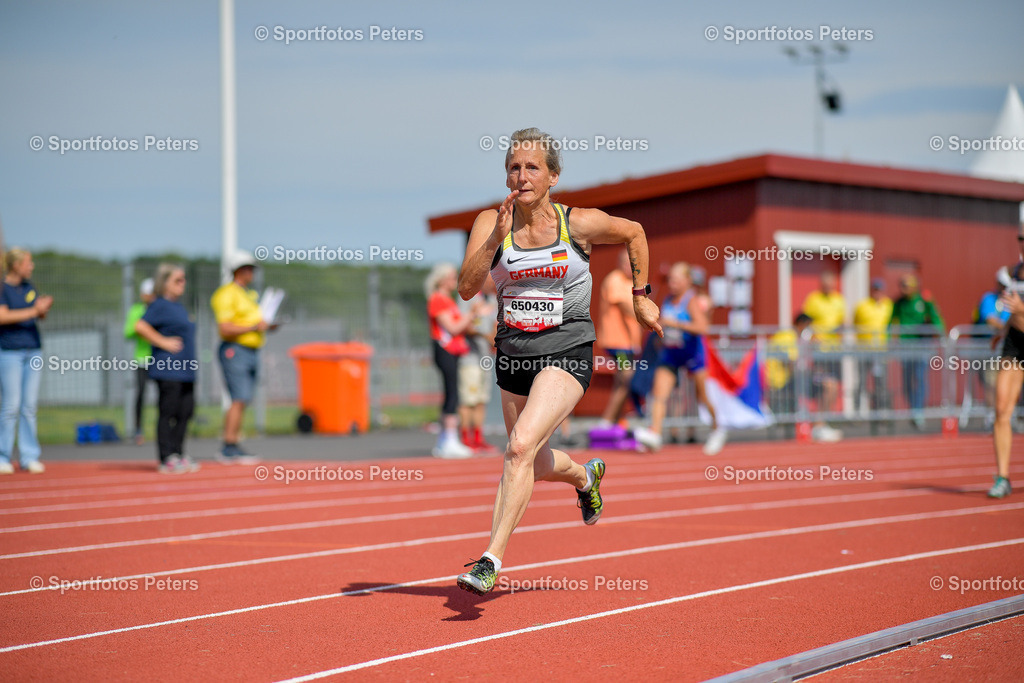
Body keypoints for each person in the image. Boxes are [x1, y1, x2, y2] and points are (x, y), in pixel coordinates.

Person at [454, 127, 662, 595]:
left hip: (567, 350)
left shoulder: (578, 223)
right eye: (513, 167)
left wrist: (640, 296)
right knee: (533, 459)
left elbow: (635, 232)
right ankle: (586, 476)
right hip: (512, 352)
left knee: (519, 446)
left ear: (553, 176)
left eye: (532, 168)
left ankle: (490, 559)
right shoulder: (491, 222)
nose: (521, 176)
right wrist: (494, 243)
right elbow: (467, 288)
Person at [634, 262, 725, 455]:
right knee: (659, 394)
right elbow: (665, 324)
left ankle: (718, 429)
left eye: (676, 279)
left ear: (687, 281)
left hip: (693, 354)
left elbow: (703, 328)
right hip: (671, 354)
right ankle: (655, 434)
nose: (672, 283)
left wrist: (676, 324)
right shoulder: (667, 299)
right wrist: (660, 337)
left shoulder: (691, 301)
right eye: (670, 279)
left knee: (702, 396)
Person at [134, 264, 199, 474]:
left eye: (184, 279)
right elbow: (140, 326)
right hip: (168, 369)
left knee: (186, 411)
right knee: (167, 411)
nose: (183, 284)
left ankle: (179, 452)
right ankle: (166, 456)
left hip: (187, 370)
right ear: (165, 283)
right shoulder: (159, 304)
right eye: (177, 280)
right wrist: (162, 341)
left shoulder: (179, 306)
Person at [211, 250, 274, 464]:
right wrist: (254, 326)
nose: (252, 272)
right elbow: (225, 327)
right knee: (238, 398)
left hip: (250, 350)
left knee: (243, 398)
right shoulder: (226, 294)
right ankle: (228, 445)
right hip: (234, 349)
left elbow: (254, 323)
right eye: (248, 268)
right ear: (238, 270)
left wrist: (265, 326)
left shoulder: (248, 294)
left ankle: (233, 443)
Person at [0, 249, 52, 475]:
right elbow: (2, 316)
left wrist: (42, 310)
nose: (31, 267)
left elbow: (38, 315)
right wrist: (33, 310)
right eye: (28, 263)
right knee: (11, 406)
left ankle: (29, 456)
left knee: (29, 406)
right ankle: (3, 456)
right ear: (15, 265)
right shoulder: (3, 288)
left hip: (33, 350)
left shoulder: (30, 287)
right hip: (10, 351)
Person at [426, 262, 478, 459]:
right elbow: (453, 328)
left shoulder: (448, 300)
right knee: (452, 393)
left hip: (452, 351)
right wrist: (472, 314)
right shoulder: (437, 299)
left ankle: (446, 439)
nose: (453, 280)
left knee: (452, 393)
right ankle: (448, 439)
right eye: (450, 276)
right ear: (440, 279)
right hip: (444, 350)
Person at [765, 313, 843, 442]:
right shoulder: (787, 337)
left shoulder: (792, 337)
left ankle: (819, 425)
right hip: (781, 382)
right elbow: (792, 364)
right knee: (830, 385)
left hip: (788, 379)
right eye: (808, 326)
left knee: (828, 384)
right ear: (801, 325)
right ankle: (818, 426)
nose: (810, 330)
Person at [988, 229, 1024, 499]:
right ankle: (1002, 476)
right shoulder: (1013, 273)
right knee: (1001, 409)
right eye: (1021, 239)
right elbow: (1010, 310)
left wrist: (1021, 310)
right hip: (1014, 344)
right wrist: (1001, 330)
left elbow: (1018, 308)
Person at [888, 274, 944, 430]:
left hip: (921, 346)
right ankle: (913, 407)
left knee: (920, 378)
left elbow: (935, 317)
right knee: (906, 381)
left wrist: (940, 333)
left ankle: (918, 411)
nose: (904, 289)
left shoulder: (924, 300)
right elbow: (891, 321)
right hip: (906, 346)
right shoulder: (898, 303)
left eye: (906, 285)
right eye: (902, 285)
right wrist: (888, 340)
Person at [597, 249, 642, 427]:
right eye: (626, 262)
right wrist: (646, 315)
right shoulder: (615, 280)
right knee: (627, 377)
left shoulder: (631, 283)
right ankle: (607, 420)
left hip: (629, 343)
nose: (628, 267)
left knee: (622, 380)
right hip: (617, 341)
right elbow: (626, 308)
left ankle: (616, 419)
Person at [458, 274, 498, 453]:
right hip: (470, 357)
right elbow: (464, 325)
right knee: (469, 399)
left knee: (482, 399)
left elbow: (495, 326)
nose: (494, 281)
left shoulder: (492, 300)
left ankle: (478, 438)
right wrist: (485, 336)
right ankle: (465, 438)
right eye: (491, 278)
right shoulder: (469, 298)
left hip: (485, 358)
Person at [853, 278, 893, 418]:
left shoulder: (889, 305)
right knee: (861, 382)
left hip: (881, 352)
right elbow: (855, 323)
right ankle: (857, 413)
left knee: (881, 383)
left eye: (879, 289)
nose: (877, 292)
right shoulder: (862, 306)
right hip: (864, 350)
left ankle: (881, 412)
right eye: (875, 289)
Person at [974, 277, 1010, 427]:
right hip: (990, 350)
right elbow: (989, 319)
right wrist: (1006, 328)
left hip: (1010, 351)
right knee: (991, 383)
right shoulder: (989, 298)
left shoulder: (1013, 300)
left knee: (1008, 385)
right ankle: (991, 416)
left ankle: (1008, 415)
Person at [124, 277, 156, 445]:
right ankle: (138, 430)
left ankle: (162, 428)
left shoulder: (160, 309)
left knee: (165, 396)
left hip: (160, 360)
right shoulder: (136, 310)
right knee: (140, 395)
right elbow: (128, 332)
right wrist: (144, 330)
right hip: (142, 359)